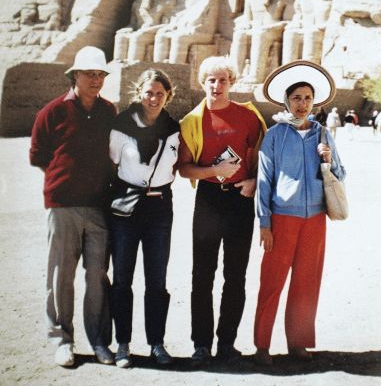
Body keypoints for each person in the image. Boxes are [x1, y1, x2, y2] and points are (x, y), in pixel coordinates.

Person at [254, 60, 345, 366]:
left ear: (314, 101)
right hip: (282, 218)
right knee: (272, 281)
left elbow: (341, 173)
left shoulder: (323, 134)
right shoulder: (275, 135)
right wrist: (264, 223)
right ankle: (262, 344)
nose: (302, 104)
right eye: (296, 98)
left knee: (307, 282)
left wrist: (329, 160)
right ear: (287, 102)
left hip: (315, 220)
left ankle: (298, 343)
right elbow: (264, 181)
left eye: (307, 98)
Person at [29, 46, 116, 368]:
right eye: (89, 74)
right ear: (74, 76)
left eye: (100, 74)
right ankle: (62, 340)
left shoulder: (109, 111)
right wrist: (65, 181)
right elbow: (39, 156)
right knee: (60, 276)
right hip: (63, 205)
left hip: (98, 207)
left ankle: (98, 341)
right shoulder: (52, 112)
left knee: (97, 276)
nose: (95, 80)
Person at [178, 56, 266, 366]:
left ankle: (226, 343)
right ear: (202, 83)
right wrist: (212, 170)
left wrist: (254, 180)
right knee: (202, 275)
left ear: (232, 82)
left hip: (241, 200)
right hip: (209, 200)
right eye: (211, 80)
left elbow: (261, 160)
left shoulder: (248, 116)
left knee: (235, 275)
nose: (217, 86)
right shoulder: (191, 121)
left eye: (223, 80)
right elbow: (185, 169)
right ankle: (201, 344)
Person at [109, 69, 180, 368]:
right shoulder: (122, 124)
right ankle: (123, 344)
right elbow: (112, 161)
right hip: (126, 208)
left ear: (168, 96)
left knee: (157, 280)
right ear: (140, 93)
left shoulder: (172, 127)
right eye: (149, 93)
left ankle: (156, 344)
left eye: (160, 94)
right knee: (122, 278)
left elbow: (175, 165)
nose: (153, 99)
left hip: (159, 209)